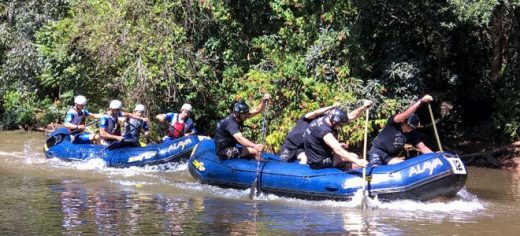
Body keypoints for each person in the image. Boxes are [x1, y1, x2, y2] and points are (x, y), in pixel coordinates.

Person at [368, 95, 434, 166]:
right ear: (403, 122)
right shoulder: (393, 123)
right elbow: (405, 115)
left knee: (404, 165)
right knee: (377, 168)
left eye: (412, 128)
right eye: (408, 127)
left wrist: (435, 157)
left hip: (390, 157)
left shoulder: (412, 132)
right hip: (377, 151)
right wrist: (420, 101)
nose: (409, 130)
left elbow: (423, 147)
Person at [303, 105, 371, 169]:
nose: (341, 127)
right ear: (335, 123)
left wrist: (364, 107)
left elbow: (350, 117)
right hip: (318, 162)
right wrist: (357, 161)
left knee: (353, 156)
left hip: (317, 155)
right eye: (341, 125)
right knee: (355, 161)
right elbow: (337, 149)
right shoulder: (324, 131)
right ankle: (349, 171)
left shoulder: (327, 118)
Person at [214, 94, 271, 161]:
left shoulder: (240, 116)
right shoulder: (231, 123)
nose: (247, 116)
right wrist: (255, 146)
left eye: (247, 113)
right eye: (245, 114)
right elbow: (240, 138)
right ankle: (258, 165)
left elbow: (257, 110)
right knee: (256, 151)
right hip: (224, 152)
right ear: (238, 114)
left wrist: (263, 101)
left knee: (251, 146)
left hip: (231, 145)